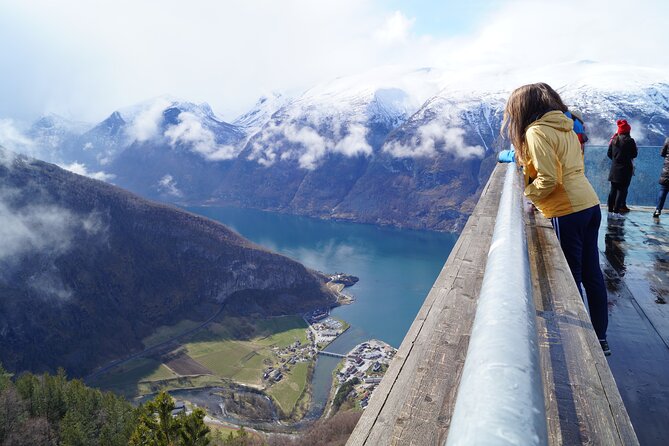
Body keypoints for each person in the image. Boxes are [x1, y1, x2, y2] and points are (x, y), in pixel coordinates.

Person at [502, 82, 611, 355]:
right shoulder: (565, 125)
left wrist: (528, 194)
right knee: (592, 274)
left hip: (566, 210)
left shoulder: (536, 131)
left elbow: (549, 178)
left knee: (570, 278)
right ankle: (600, 339)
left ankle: (578, 346)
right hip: (589, 203)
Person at [607, 120, 637, 217]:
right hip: (625, 169)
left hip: (614, 169)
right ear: (628, 131)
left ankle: (609, 212)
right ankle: (616, 212)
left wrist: (616, 160)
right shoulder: (630, 141)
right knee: (621, 190)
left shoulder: (614, 140)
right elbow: (634, 154)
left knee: (613, 190)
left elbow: (609, 153)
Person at [653, 137, 669, 218]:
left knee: (663, 190)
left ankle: (658, 210)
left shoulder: (668, 139)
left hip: (667, 169)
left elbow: (662, 153)